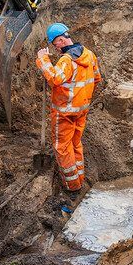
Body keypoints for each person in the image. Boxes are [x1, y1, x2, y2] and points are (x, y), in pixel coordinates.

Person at [36, 23, 102, 192]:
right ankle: (80, 177)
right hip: (81, 110)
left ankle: (72, 186)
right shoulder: (89, 55)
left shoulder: (67, 61)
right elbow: (96, 78)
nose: (55, 47)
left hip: (64, 113)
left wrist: (43, 59)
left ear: (61, 40)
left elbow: (54, 78)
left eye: (54, 43)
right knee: (75, 144)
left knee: (63, 148)